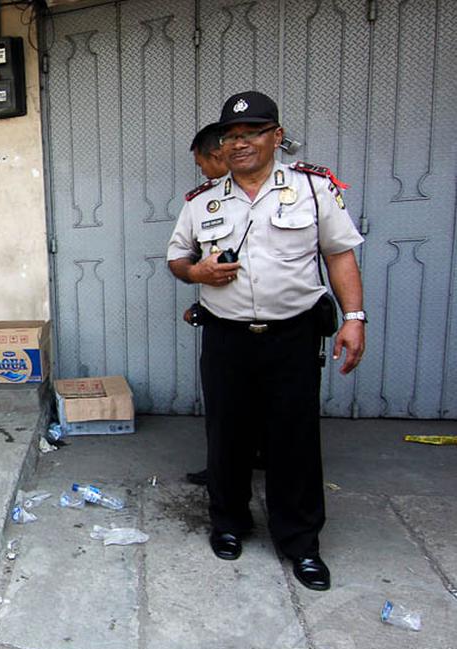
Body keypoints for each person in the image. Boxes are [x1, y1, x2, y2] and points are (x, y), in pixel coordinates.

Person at [166, 91, 366, 592]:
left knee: (293, 439)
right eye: (231, 136)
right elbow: (176, 260)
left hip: (292, 336)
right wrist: (198, 272)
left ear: (276, 136)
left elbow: (340, 254)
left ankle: (300, 543)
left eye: (252, 133)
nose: (240, 144)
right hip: (226, 336)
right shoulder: (202, 202)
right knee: (227, 434)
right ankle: (229, 523)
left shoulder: (313, 190)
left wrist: (354, 317)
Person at [182, 122, 228, 487]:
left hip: (287, 327)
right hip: (226, 324)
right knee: (225, 410)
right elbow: (188, 260)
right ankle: (223, 473)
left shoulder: (298, 189)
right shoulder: (203, 202)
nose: (203, 172)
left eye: (201, 164)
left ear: (216, 154)